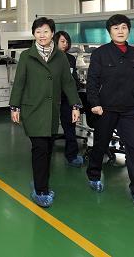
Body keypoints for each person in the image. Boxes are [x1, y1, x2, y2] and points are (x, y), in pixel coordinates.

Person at [9, 17, 82, 208]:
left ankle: (39, 181)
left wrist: (75, 105)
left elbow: (68, 83)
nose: (42, 35)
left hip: (52, 111)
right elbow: (19, 82)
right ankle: (41, 191)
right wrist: (15, 107)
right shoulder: (26, 56)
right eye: (38, 31)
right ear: (34, 34)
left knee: (47, 149)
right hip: (33, 110)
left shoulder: (60, 57)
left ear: (52, 34)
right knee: (40, 149)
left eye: (46, 31)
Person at [85, 14, 134, 213]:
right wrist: (95, 103)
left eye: (124, 27)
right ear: (109, 32)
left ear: (129, 30)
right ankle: (94, 175)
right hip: (106, 108)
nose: (120, 31)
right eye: (116, 28)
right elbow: (92, 81)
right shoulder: (100, 54)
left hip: (129, 109)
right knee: (100, 144)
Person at [53, 30, 84, 168]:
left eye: (67, 41)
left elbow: (74, 77)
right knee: (49, 127)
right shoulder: (49, 58)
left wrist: (76, 85)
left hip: (67, 98)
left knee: (70, 127)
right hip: (52, 98)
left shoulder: (71, 58)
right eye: (62, 41)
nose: (65, 44)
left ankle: (72, 156)